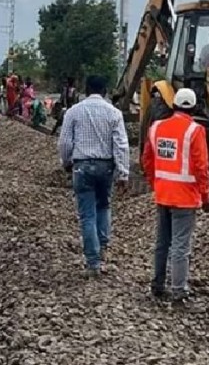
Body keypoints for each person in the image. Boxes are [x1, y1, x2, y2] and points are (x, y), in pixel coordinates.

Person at [140, 87, 209, 305]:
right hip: (185, 198)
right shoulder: (195, 131)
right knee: (181, 245)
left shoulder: (156, 127)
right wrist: (206, 197)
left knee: (162, 242)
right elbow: (201, 167)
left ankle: (158, 284)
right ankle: (178, 290)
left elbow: (147, 160)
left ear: (174, 105)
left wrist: (156, 184)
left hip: (163, 195)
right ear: (193, 107)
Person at [57, 75, 130, 278]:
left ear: (86, 90)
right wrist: (123, 173)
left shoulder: (74, 112)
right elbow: (121, 145)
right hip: (106, 166)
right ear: (105, 91)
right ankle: (102, 245)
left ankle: (93, 262)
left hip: (82, 166)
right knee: (104, 205)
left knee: (87, 214)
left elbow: (64, 143)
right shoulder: (114, 113)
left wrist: (66, 162)